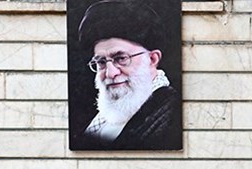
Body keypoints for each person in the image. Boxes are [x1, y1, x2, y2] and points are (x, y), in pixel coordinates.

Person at [76, 0, 181, 150]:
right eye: (101, 62)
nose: (110, 73)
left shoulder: (173, 114)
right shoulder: (106, 115)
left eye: (121, 58)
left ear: (152, 59)